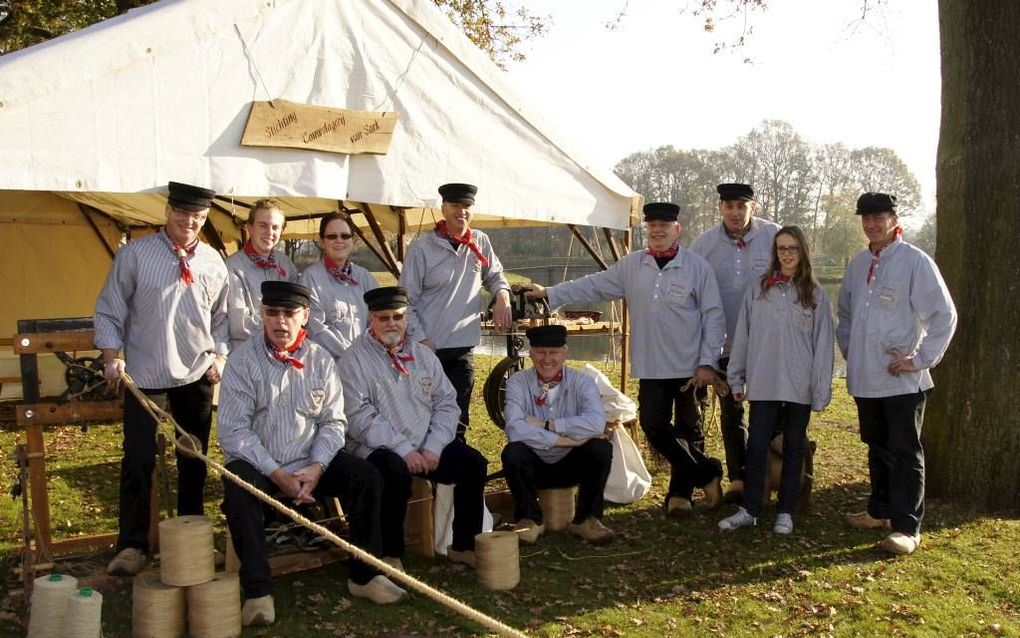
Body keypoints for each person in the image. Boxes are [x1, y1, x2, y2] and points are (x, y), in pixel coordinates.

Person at [218, 281, 407, 626]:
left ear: (304, 316)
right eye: (272, 312)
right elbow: (233, 431)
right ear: (262, 314)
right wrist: (277, 474)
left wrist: (318, 467)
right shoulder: (242, 361)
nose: (280, 321)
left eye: (289, 313)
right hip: (261, 464)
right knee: (238, 486)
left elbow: (334, 422)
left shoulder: (320, 360)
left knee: (365, 476)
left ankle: (365, 576)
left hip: (311, 462)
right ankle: (259, 592)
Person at [525, 202, 726, 516]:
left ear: (677, 229)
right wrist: (551, 293)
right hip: (652, 364)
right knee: (653, 425)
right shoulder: (632, 266)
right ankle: (706, 473)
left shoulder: (697, 267)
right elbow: (592, 284)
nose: (658, 231)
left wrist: (707, 362)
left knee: (689, 428)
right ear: (646, 229)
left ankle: (680, 496)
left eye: (665, 226)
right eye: (652, 227)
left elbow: (714, 316)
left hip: (689, 366)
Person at [94, 181, 229, 576]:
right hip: (145, 374)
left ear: (204, 219)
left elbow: (222, 317)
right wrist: (111, 357)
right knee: (138, 459)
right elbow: (109, 310)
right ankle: (133, 545)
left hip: (195, 375)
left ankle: (192, 541)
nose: (190, 221)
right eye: (183, 213)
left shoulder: (213, 262)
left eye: (198, 216)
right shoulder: (135, 256)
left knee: (194, 460)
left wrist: (218, 356)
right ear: (168, 212)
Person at [837, 192, 957, 555]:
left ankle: (907, 526)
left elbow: (944, 316)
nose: (872, 225)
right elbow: (845, 315)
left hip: (901, 378)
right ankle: (880, 510)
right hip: (867, 378)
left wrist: (919, 359)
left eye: (879, 218)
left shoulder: (915, 262)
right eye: (866, 219)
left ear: (893, 219)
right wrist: (852, 353)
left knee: (905, 451)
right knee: (877, 446)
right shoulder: (859, 265)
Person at [340, 286, 488, 568]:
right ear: (370, 319)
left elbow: (447, 404)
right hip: (375, 446)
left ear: (407, 318)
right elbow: (359, 416)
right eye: (384, 318)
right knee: (394, 472)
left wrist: (433, 448)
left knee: (473, 464)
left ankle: (463, 545)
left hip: (425, 445)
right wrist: (404, 449)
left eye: (398, 317)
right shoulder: (353, 360)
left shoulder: (424, 356)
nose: (392, 324)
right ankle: (390, 553)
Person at [718, 226, 834, 535]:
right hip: (765, 380)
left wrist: (821, 388)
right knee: (756, 445)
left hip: (799, 384)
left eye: (793, 248)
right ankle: (750, 508)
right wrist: (737, 377)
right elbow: (742, 336)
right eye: (781, 248)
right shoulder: (759, 289)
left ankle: (786, 509)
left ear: (803, 252)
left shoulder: (815, 294)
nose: (787, 254)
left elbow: (823, 346)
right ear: (775, 252)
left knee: (795, 445)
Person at [398, 183, 512, 438]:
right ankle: (426, 475)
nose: (461, 211)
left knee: (458, 421)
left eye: (466, 206)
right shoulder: (422, 248)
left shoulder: (480, 241)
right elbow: (406, 301)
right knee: (425, 421)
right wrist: (420, 339)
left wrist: (502, 296)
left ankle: (456, 475)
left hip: (462, 351)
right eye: (455, 206)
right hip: (428, 352)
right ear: (444, 209)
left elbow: (494, 275)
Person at [690, 183, 781, 502]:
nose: (734, 212)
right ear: (720, 208)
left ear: (752, 207)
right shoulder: (704, 245)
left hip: (768, 343)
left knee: (770, 411)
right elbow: (692, 294)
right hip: (726, 345)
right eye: (728, 206)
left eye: (741, 206)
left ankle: (772, 476)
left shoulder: (774, 237)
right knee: (732, 413)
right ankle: (738, 478)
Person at [501, 325, 615, 545]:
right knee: (513, 452)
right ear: (531, 353)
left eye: (553, 353)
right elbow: (514, 428)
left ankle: (586, 519)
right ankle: (530, 519)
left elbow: (596, 423)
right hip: (535, 465)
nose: (547, 359)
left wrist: (546, 424)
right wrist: (564, 439)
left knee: (601, 449)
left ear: (565, 353)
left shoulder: (582, 382)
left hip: (570, 464)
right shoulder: (517, 382)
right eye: (541, 352)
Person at [300, 213, 379, 358]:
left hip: (366, 362)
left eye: (345, 236)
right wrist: (351, 356)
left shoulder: (365, 277)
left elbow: (378, 319)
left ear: (353, 240)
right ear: (322, 241)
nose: (339, 241)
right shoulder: (310, 278)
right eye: (332, 236)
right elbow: (316, 329)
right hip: (327, 365)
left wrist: (366, 354)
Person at [224, 198, 298, 350]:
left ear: (281, 231)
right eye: (263, 225)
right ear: (250, 228)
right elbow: (239, 323)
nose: (269, 233)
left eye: (275, 227)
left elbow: (296, 311)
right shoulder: (233, 266)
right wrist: (280, 328)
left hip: (283, 351)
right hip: (247, 352)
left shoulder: (286, 264)